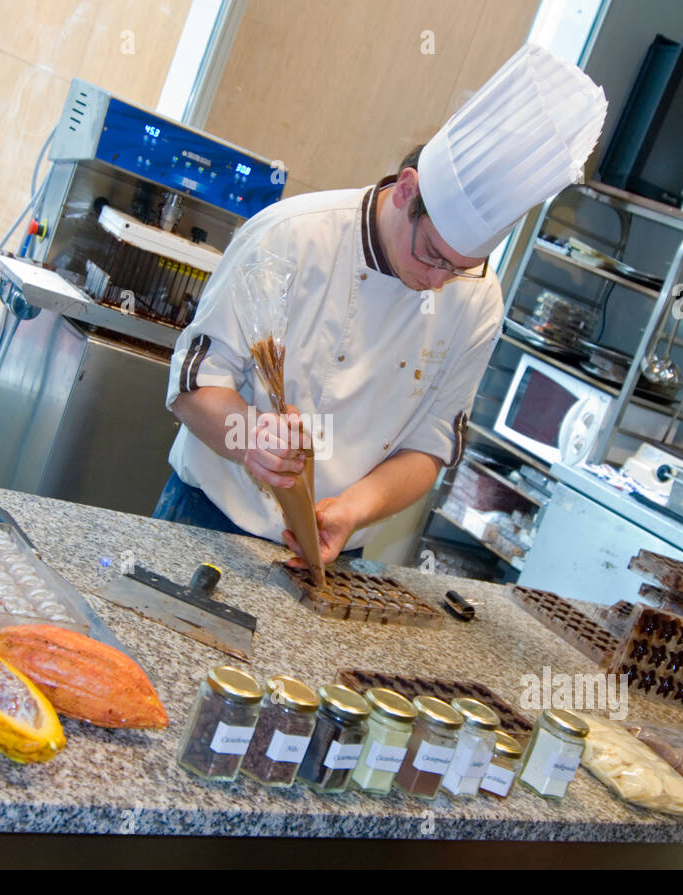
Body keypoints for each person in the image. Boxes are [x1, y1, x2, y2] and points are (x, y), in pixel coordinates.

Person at [155, 44, 607, 567]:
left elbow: (430, 445)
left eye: (458, 268)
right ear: (406, 191)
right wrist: (250, 437)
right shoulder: (290, 238)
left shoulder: (479, 300)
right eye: (433, 254)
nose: (438, 282)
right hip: (208, 524)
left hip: (335, 549)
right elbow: (192, 388)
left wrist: (350, 510)